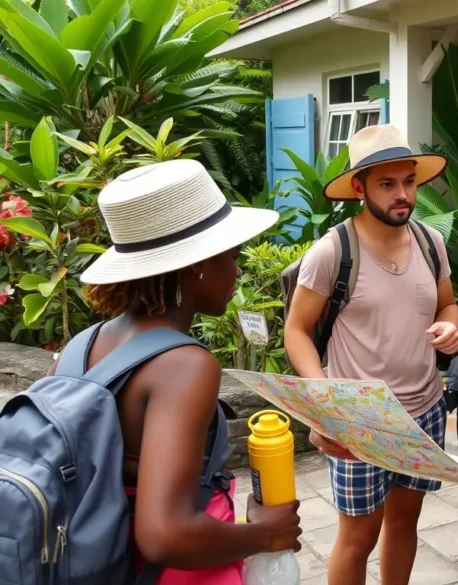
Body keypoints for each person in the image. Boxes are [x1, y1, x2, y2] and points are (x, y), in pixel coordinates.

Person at [69, 159, 300, 582]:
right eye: (233, 256)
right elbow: (164, 535)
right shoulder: (184, 365)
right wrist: (266, 534)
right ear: (197, 263)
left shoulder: (82, 348)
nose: (238, 271)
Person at [283, 124, 458, 585]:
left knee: (404, 522)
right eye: (387, 184)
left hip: (424, 410)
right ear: (359, 189)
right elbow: (297, 330)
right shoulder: (333, 251)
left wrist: (451, 326)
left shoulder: (430, 242)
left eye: (409, 181)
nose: (403, 194)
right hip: (360, 420)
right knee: (358, 536)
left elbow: (448, 304)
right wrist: (325, 403)